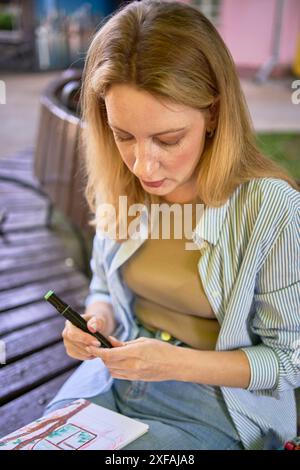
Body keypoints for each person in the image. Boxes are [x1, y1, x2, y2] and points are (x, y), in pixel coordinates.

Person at [43, 0, 300, 450]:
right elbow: (105, 283)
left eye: (168, 139)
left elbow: (289, 360)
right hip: (112, 375)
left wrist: (173, 364)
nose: (143, 165)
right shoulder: (122, 184)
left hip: (216, 402)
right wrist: (96, 317)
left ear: (214, 114)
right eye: (124, 136)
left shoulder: (272, 209)